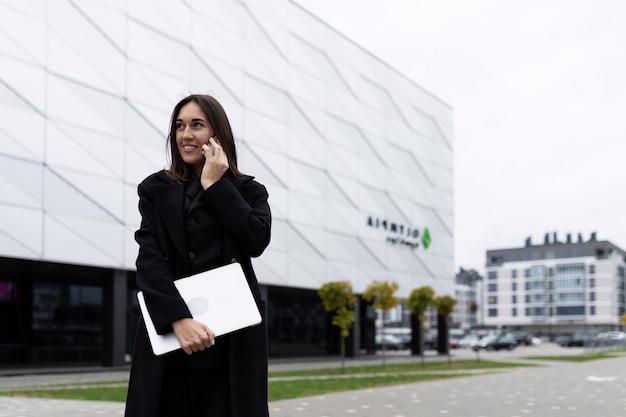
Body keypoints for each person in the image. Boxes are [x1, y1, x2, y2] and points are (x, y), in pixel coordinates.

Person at [124, 94, 272, 417]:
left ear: (217, 133)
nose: (185, 135)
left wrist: (214, 185)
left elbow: (256, 241)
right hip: (170, 344)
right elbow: (149, 261)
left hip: (231, 351)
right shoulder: (154, 190)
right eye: (179, 126)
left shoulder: (249, 191)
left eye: (196, 125)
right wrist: (178, 320)